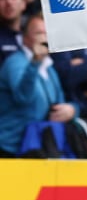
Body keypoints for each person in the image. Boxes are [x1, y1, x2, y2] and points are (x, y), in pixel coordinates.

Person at [0, 14, 77, 157]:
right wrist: (35, 62)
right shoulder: (15, 63)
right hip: (11, 148)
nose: (44, 38)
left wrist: (71, 110)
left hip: (36, 146)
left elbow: (58, 102)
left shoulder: (49, 67)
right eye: (38, 33)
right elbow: (23, 97)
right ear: (25, 38)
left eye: (47, 33)